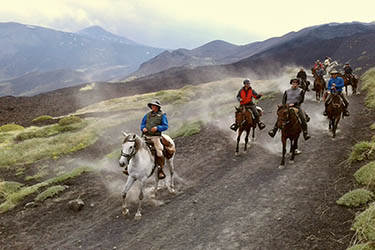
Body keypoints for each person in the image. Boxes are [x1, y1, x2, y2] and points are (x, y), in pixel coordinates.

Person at [140, 100, 168, 179]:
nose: (153, 107)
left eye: (154, 106)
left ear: (158, 107)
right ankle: (129, 168)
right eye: (152, 106)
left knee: (159, 151)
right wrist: (143, 128)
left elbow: (165, 126)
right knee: (134, 147)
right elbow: (142, 124)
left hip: (155, 137)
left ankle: (160, 170)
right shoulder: (147, 115)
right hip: (145, 136)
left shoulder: (162, 115)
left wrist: (157, 128)